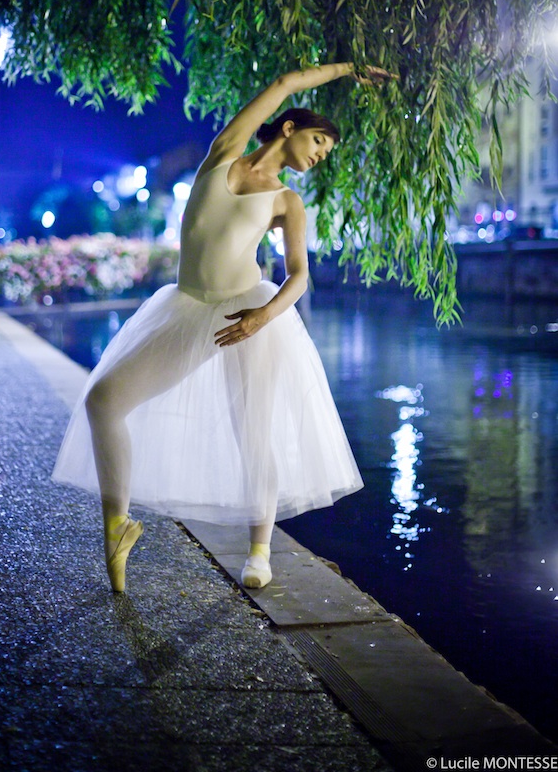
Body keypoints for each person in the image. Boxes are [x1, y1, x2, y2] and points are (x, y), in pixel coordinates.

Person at [52, 61, 392, 592]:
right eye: (319, 141)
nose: (321, 155)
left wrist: (262, 317)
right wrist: (349, 70)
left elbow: (299, 277)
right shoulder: (222, 155)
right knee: (103, 400)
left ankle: (260, 550)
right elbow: (284, 83)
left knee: (252, 432)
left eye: (326, 152)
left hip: (246, 313)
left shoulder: (286, 201)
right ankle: (117, 525)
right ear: (289, 127)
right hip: (186, 307)